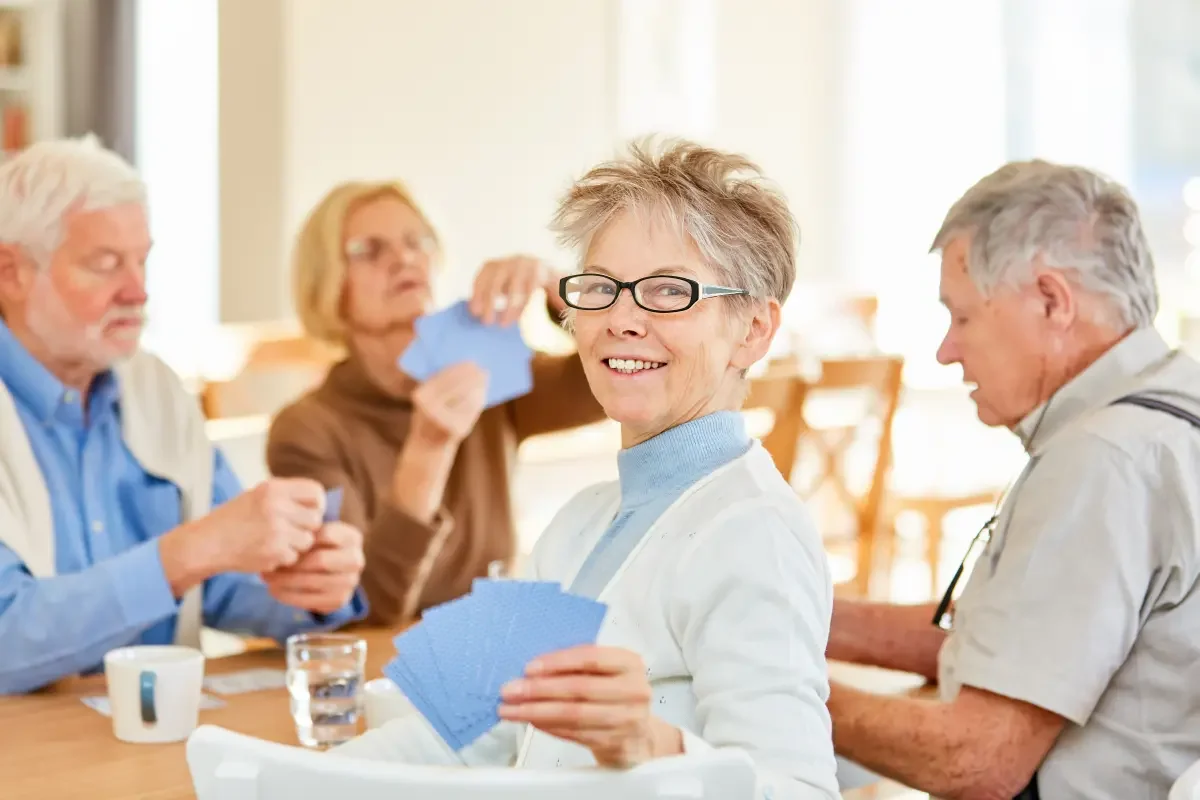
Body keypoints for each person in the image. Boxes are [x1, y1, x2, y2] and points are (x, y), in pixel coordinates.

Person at [333, 139, 840, 800]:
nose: (621, 319)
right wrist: (276, 781)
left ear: (753, 331)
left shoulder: (754, 533)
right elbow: (444, 722)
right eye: (601, 288)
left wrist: (655, 746)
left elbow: (803, 791)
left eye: (668, 291)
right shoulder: (579, 524)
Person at [826, 160, 1200, 798]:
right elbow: (1018, 636)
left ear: (1052, 301)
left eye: (962, 316)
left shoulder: (1105, 462)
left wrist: (765, 678)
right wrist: (797, 615)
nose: (946, 349)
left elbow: (975, 761)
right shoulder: (1172, 404)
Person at [0, 136, 368, 695]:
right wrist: (190, 551)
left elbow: (220, 584)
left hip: (157, 743)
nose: (138, 290)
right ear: (12, 274)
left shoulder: (155, 388)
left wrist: (305, 585)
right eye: (104, 265)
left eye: (142, 260)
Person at [266, 180, 605, 625]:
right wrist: (429, 447)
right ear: (326, 284)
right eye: (369, 250)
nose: (404, 259)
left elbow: (609, 384)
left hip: (492, 646)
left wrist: (560, 289)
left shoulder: (482, 371)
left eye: (416, 242)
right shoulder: (307, 430)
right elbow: (365, 608)